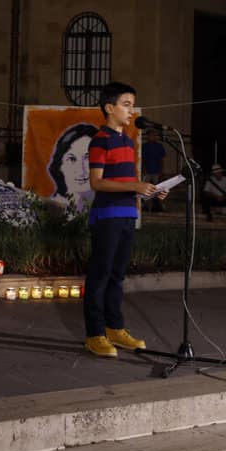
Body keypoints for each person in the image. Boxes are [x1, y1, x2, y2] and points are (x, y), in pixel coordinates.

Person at [83, 81, 168, 358]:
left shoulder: (129, 142)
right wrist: (135, 186)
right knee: (100, 276)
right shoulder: (100, 140)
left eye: (133, 105)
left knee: (118, 276)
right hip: (107, 216)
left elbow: (127, 182)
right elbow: (97, 182)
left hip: (129, 214)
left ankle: (115, 328)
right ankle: (95, 334)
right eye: (126, 105)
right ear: (110, 108)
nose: (132, 111)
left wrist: (151, 191)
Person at [47, 123, 98, 210]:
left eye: (88, 158)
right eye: (72, 159)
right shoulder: (48, 210)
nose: (81, 171)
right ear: (60, 166)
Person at [140, 127, 167, 212]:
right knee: (144, 189)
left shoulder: (159, 146)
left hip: (156, 171)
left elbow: (162, 159)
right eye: (150, 135)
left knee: (157, 189)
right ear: (147, 136)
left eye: (154, 135)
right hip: (147, 171)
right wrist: (143, 169)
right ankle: (144, 205)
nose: (152, 136)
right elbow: (141, 159)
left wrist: (161, 170)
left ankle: (157, 206)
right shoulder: (144, 146)